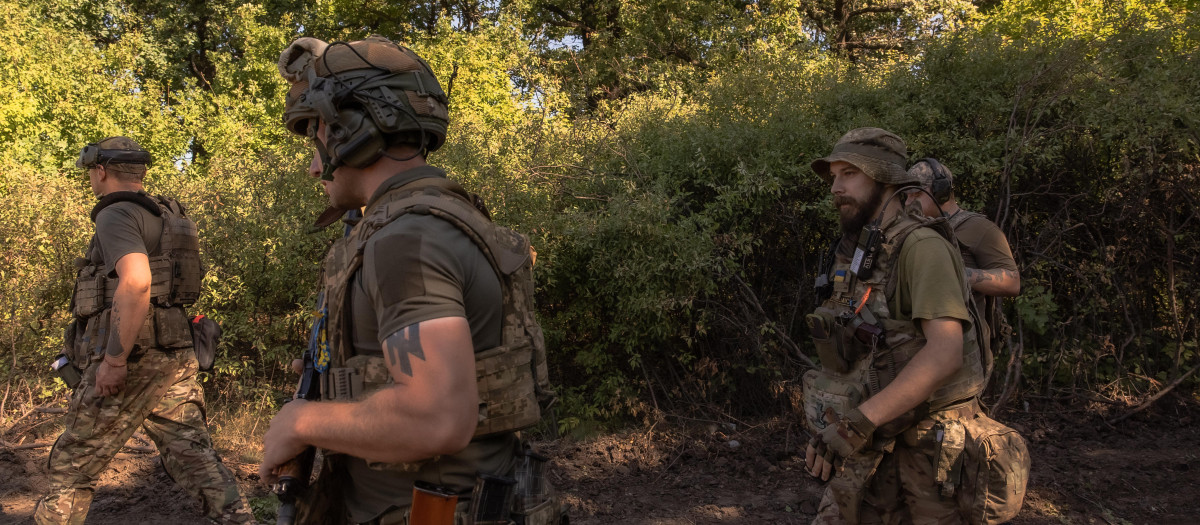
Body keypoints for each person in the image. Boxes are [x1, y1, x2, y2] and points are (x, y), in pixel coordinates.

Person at [259, 36, 561, 524]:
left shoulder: (406, 239)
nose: (315, 166)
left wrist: (303, 422)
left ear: (352, 127)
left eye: (316, 133)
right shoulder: (435, 218)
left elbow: (436, 417)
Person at [35, 137, 254, 524]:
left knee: (72, 465)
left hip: (134, 357)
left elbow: (135, 283)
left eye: (90, 171)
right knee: (194, 458)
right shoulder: (165, 215)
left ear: (100, 171)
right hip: (175, 352)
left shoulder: (116, 213)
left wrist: (114, 360)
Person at [803, 128, 991, 523]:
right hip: (877, 437)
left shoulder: (921, 248)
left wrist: (855, 425)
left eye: (848, 174)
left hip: (930, 451)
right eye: (833, 176)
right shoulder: (861, 249)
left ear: (885, 178)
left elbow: (945, 353)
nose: (835, 187)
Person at [908, 158, 1019, 377]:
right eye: (907, 195)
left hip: (965, 350)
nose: (908, 202)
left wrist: (958, 274)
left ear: (940, 192)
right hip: (918, 345)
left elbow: (1012, 281)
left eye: (916, 194)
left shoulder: (978, 228)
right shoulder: (913, 230)